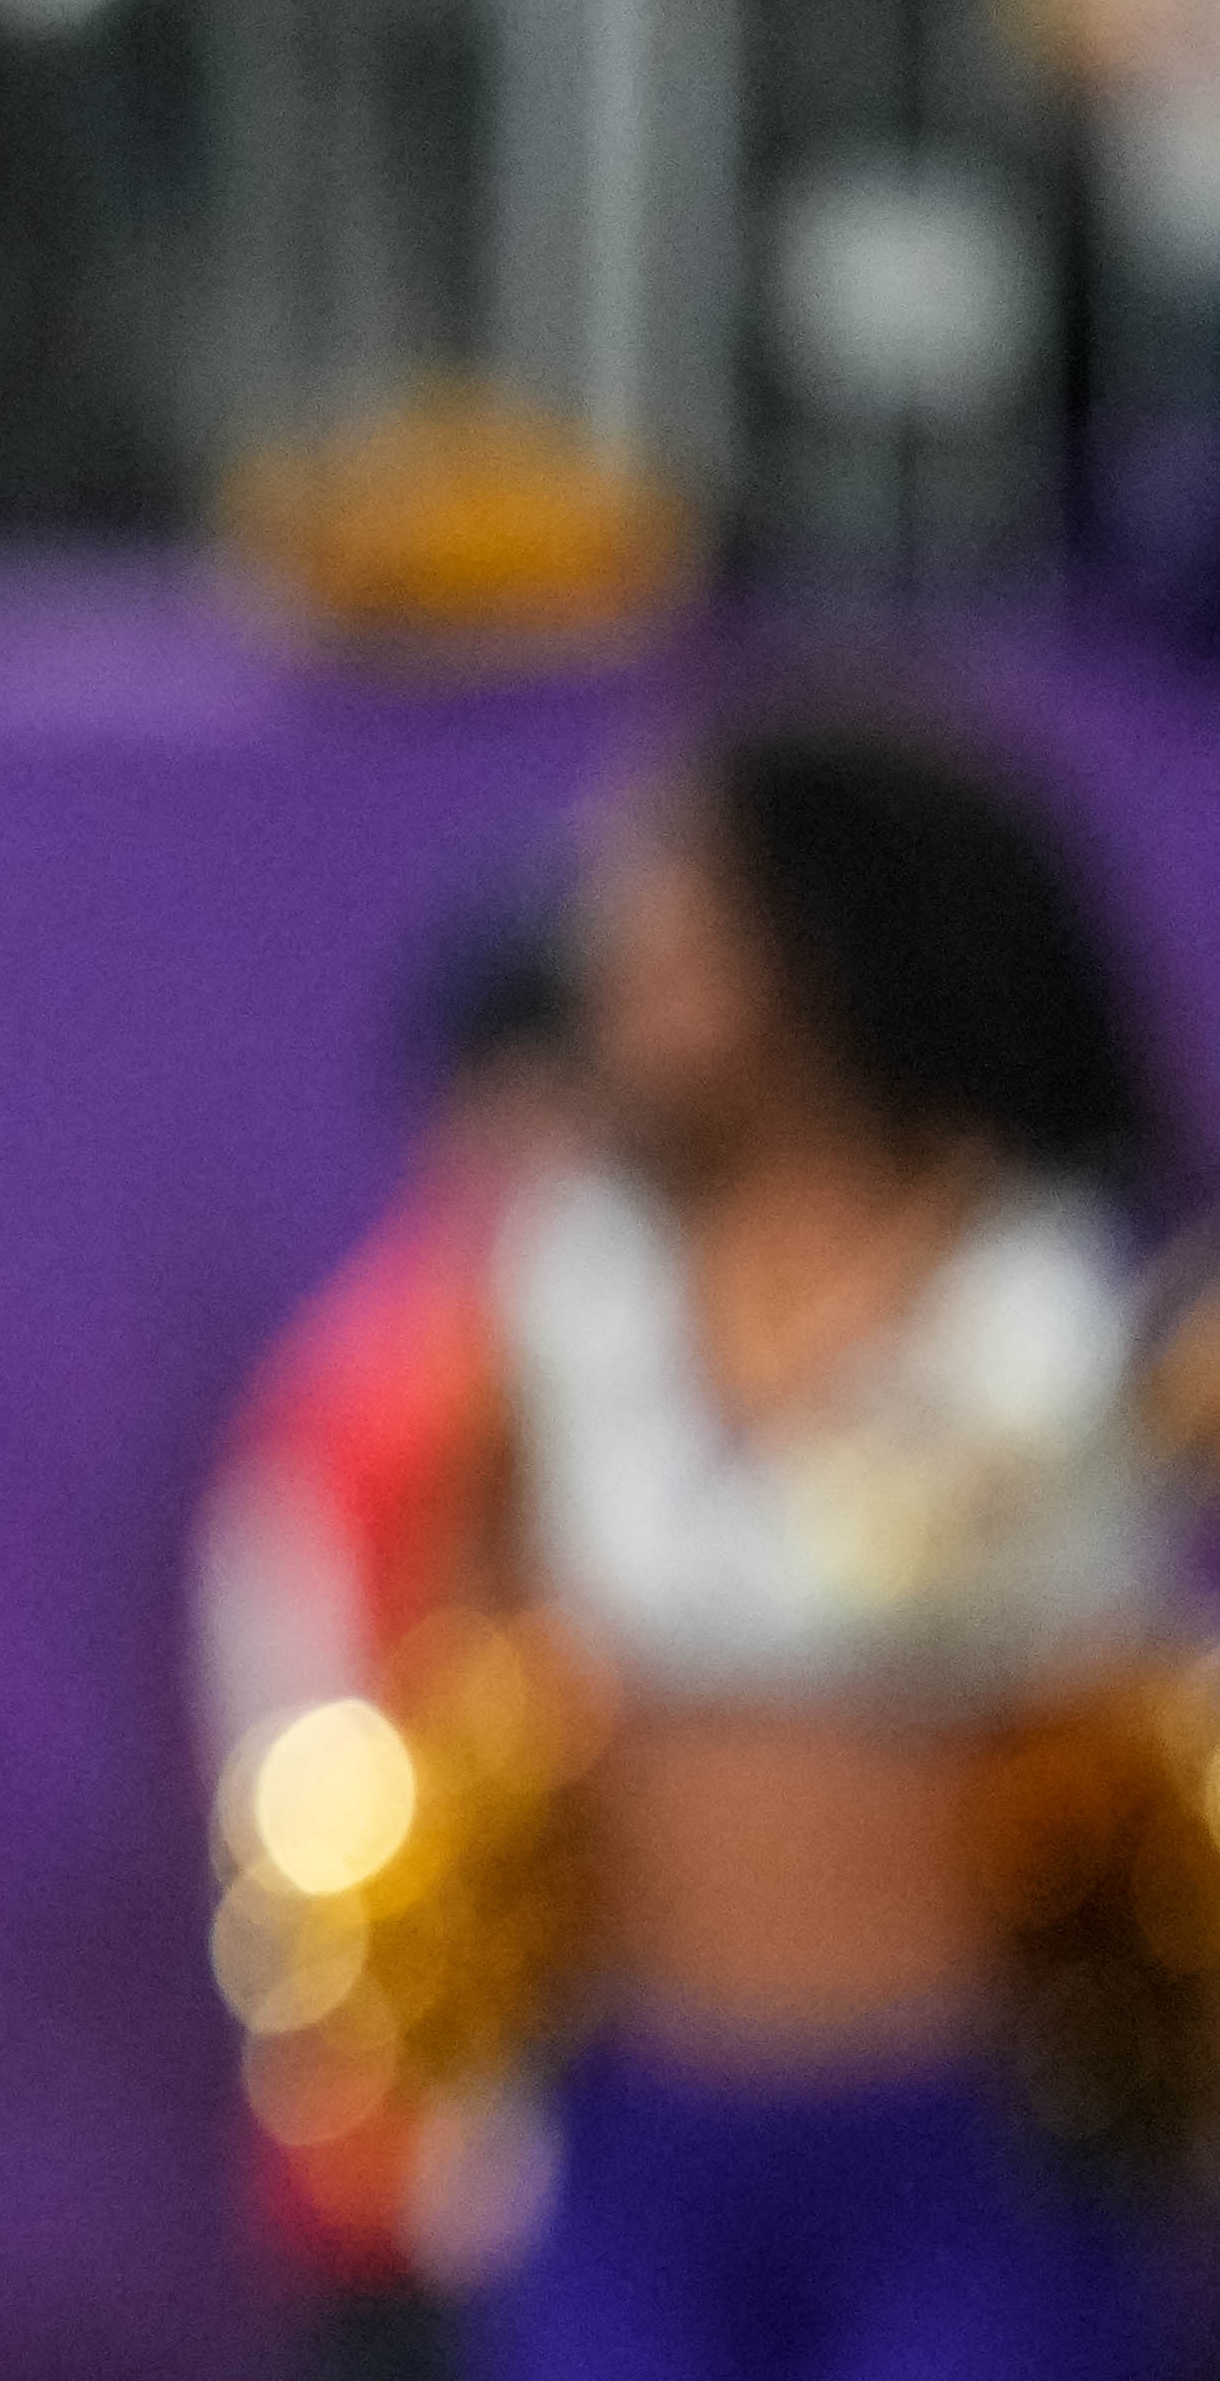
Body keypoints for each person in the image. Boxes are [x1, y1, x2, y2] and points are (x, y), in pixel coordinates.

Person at [469, 702, 1187, 2381]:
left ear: (822, 951)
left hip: (962, 2146)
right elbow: (485, 1648)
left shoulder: (1042, 1305)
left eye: (676, 928)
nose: (616, 965)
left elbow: (1113, 1711)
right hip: (641, 2134)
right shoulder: (573, 1278)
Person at [194, 896, 596, 2381]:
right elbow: (296, 1787)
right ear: (501, 1105)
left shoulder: (672, 1380)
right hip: (443, 2184)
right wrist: (462, 2134)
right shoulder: (362, 1410)